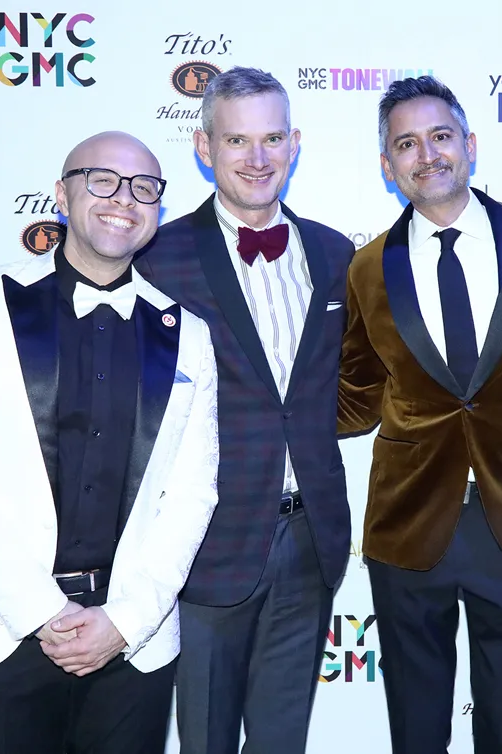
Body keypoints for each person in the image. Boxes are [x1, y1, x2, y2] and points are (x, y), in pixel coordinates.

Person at [0, 131, 219, 754]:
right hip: (2, 625)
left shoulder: (188, 333)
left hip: (132, 640)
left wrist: (125, 619)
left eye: (143, 188)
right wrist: (43, 611)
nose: (123, 199)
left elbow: (192, 494)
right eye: (102, 180)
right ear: (62, 195)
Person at [338, 76, 502, 754]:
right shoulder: (366, 269)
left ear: (469, 144)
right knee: (416, 727)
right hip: (408, 522)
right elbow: (357, 394)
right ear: (387, 165)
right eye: (406, 144)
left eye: (440, 136)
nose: (427, 154)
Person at [134, 67, 354, 754]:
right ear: (204, 147)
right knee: (204, 740)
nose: (257, 158)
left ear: (295, 143)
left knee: (283, 741)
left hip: (311, 539)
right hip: (206, 545)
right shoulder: (157, 259)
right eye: (237, 141)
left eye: (272, 139)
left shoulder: (335, 254)